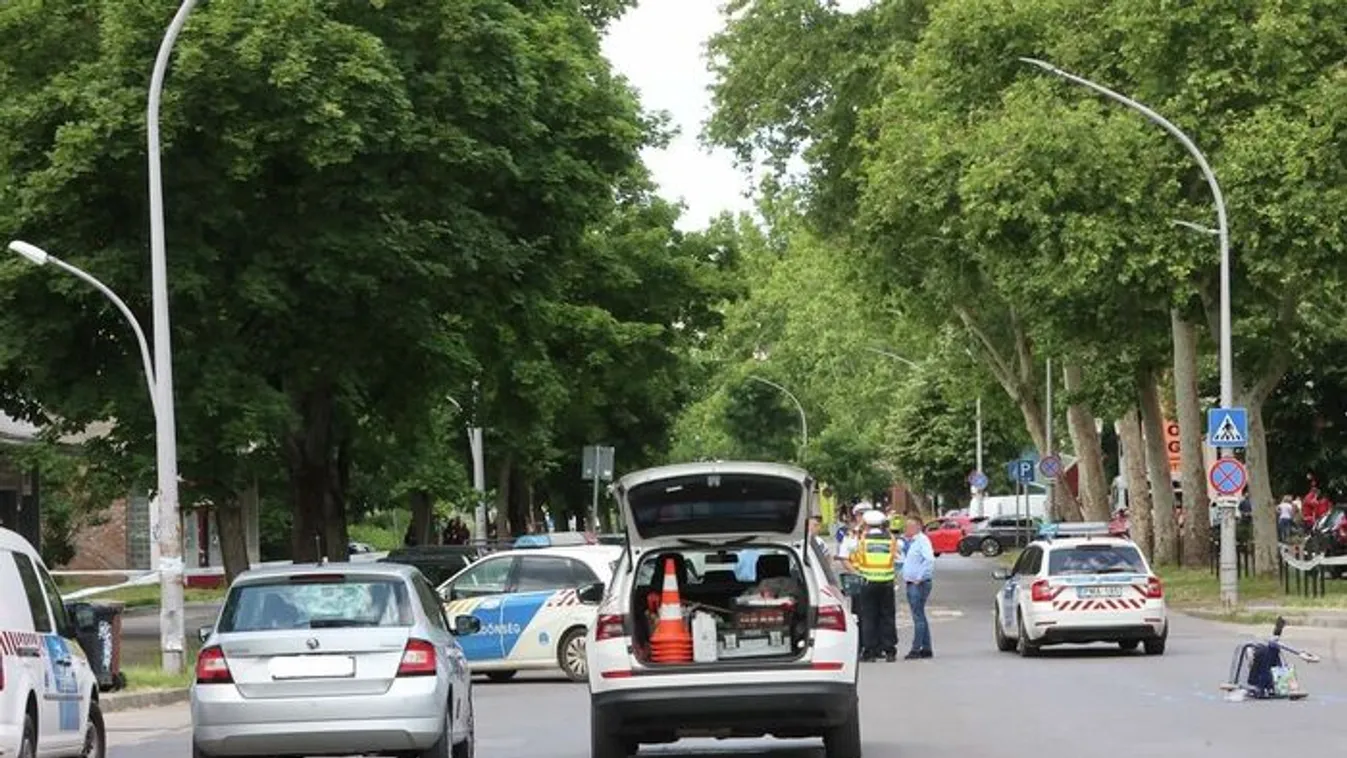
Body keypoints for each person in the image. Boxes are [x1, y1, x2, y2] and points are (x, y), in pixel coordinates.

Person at [851, 508, 898, 662]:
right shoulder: (891, 540)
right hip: (886, 582)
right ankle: (890, 650)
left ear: (867, 524)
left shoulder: (863, 541)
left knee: (869, 617)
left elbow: (856, 560)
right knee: (887, 616)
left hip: (868, 583)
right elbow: (896, 558)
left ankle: (870, 651)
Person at [901, 518, 935, 660]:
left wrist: (920, 577)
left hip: (918, 584)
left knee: (918, 616)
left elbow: (930, 559)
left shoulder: (922, 541)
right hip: (911, 582)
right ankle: (926, 648)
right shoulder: (912, 542)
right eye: (906, 526)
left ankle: (916, 648)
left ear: (918, 527)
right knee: (920, 614)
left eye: (910, 526)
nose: (907, 529)